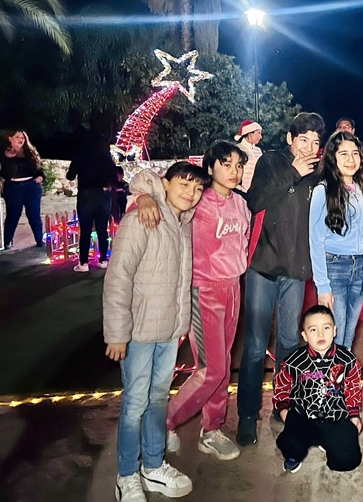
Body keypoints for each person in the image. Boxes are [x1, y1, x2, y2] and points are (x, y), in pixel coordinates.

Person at [133, 141, 251, 461]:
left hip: (233, 288)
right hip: (204, 290)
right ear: (210, 167)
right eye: (226, 164)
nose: (234, 171)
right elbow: (148, 180)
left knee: (222, 367)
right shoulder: (197, 200)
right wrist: (144, 197)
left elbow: (243, 244)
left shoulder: (241, 204)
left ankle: (211, 430)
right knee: (211, 368)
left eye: (239, 165)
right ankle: (162, 424)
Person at [103, 161, 209, 502]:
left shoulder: (183, 224)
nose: (191, 193)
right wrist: (116, 333)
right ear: (166, 183)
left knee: (158, 399)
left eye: (197, 188)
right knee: (135, 403)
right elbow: (118, 278)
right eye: (184, 184)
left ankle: (152, 464)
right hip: (138, 332)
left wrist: (180, 326)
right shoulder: (141, 218)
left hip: (168, 331)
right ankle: (126, 474)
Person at [237, 112, 325, 447]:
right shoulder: (271, 161)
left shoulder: (319, 173)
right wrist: (293, 172)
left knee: (289, 342)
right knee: (255, 346)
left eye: (315, 142)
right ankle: (248, 415)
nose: (309, 148)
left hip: (296, 270)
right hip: (263, 265)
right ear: (290, 139)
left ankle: (283, 404)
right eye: (303, 140)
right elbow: (255, 201)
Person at [274, 305, 363, 473]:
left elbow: (353, 387)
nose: (321, 334)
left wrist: (354, 413)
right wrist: (283, 408)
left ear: (334, 330)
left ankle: (327, 440)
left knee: (348, 460)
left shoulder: (347, 359)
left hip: (335, 415)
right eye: (313, 330)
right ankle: (294, 454)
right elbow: (282, 385)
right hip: (302, 415)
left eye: (326, 328)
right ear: (304, 335)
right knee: (292, 440)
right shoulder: (293, 361)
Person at [309, 131, 363, 350]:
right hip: (335, 267)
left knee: (349, 334)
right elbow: (315, 240)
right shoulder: (323, 191)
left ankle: (343, 372)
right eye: (343, 154)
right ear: (332, 158)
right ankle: (330, 373)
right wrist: (322, 285)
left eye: (355, 153)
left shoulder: (361, 188)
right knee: (333, 334)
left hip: (360, 267)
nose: (350, 159)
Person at [66, 130, 119, 272]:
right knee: (102, 230)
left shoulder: (80, 155)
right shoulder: (106, 157)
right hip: (103, 195)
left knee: (86, 230)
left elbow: (70, 176)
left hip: (86, 195)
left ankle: (83, 263)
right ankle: (103, 260)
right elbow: (114, 178)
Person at [0, 130, 44, 249]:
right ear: (10, 139)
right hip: (13, 187)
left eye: (22, 137)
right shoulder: (5, 152)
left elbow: (39, 168)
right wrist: (6, 157)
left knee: (34, 214)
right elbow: (1, 170)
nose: (21, 139)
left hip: (31, 186)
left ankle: (39, 240)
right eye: (17, 137)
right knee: (13, 215)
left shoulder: (30, 152)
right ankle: (8, 241)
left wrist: (40, 176)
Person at [234, 120, 263, 192]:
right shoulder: (237, 149)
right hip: (240, 190)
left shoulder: (258, 151)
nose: (260, 137)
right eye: (258, 133)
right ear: (250, 133)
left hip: (257, 190)